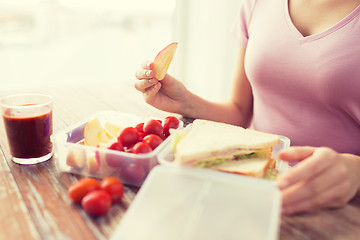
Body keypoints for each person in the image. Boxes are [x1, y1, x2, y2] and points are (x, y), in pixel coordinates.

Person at [135, 0, 360, 215]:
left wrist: (356, 171)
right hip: (257, 191)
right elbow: (240, 112)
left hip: (342, 208)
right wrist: (185, 101)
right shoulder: (258, 3)